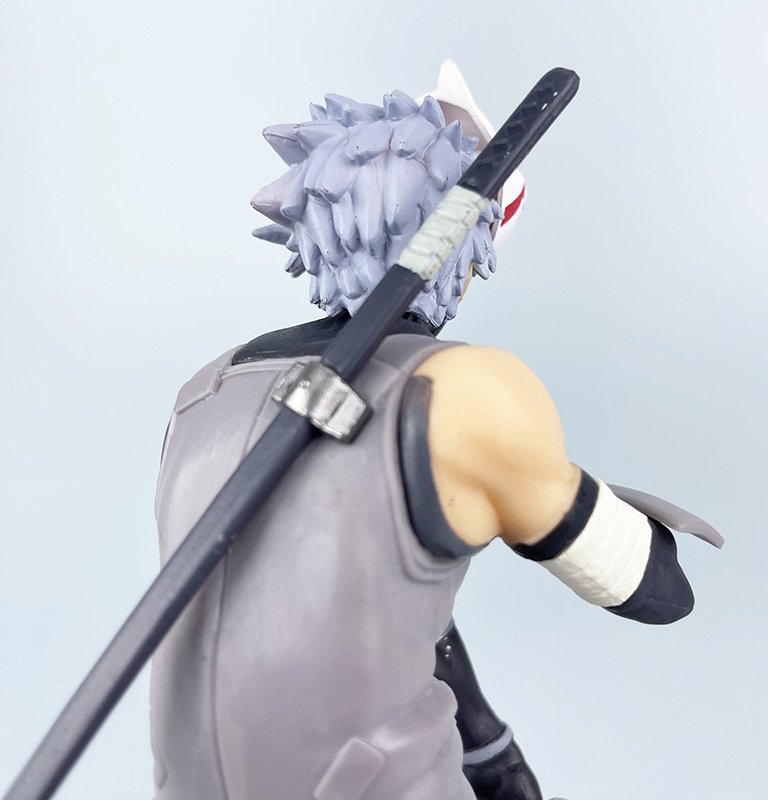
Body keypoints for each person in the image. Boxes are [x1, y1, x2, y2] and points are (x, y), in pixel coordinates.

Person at [150, 64, 717, 800]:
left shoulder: (203, 392)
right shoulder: (467, 390)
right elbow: (652, 590)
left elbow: (362, 599)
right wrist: (574, 496)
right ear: (463, 242)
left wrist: (489, 748)